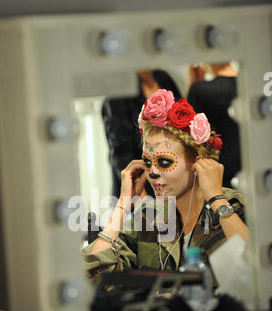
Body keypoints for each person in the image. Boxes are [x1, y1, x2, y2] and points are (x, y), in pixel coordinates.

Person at [83, 89, 248, 286]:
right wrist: (123, 204)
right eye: (147, 162)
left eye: (164, 162)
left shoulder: (235, 206)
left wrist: (215, 198)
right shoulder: (149, 218)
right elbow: (92, 276)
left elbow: (259, 267)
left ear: (198, 163)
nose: (152, 172)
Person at [101, 69, 181, 199]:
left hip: (171, 182)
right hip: (141, 187)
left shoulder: (163, 78)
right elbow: (120, 150)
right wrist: (140, 197)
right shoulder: (120, 90)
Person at [187, 62, 241, 189]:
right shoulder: (249, 84)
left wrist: (192, 81)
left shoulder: (200, 89)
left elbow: (187, 132)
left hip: (220, 173)